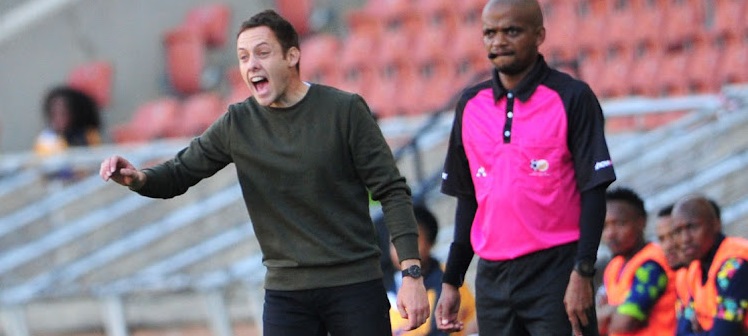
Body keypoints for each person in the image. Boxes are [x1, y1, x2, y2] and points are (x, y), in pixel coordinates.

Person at [99, 9, 429, 336]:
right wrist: (138, 178)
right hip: (287, 294)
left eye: (262, 53)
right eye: (243, 57)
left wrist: (412, 274)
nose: (251, 64)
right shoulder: (237, 123)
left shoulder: (345, 111)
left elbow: (392, 191)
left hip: (354, 285)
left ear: (292, 56)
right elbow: (178, 174)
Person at [435, 0, 617, 335]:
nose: (499, 41)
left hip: (556, 270)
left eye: (512, 31)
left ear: (539, 35)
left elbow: (594, 190)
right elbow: (468, 199)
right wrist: (452, 281)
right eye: (490, 32)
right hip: (492, 275)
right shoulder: (470, 105)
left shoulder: (572, 97)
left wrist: (583, 271)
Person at [386, 204, 478, 336]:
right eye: (394, 242)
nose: (401, 250)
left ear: (430, 242)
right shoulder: (391, 288)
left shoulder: (446, 281)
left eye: (412, 243)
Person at [596, 188, 676, 336]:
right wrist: (614, 311)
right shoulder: (614, 266)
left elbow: (624, 323)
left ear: (641, 222)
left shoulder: (653, 263)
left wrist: (609, 311)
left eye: (619, 224)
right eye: (605, 226)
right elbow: (598, 325)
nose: (610, 233)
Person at [670, 195, 748, 335]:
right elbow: (682, 331)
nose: (685, 238)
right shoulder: (694, 270)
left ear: (716, 224)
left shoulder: (734, 265)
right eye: (678, 231)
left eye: (692, 227)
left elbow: (725, 332)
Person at [35, 85, 102, 156]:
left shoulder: (89, 136)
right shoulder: (46, 139)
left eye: (63, 113)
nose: (58, 118)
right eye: (54, 113)